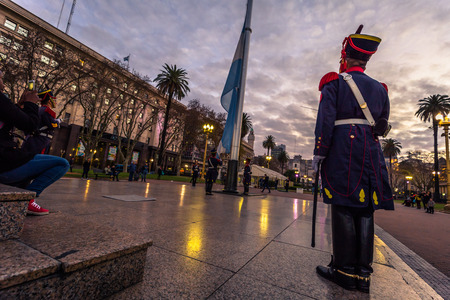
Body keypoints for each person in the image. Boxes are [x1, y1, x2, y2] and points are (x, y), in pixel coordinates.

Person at [312, 27, 393, 293]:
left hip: (342, 148)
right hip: (370, 150)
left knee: (343, 204)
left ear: (345, 56)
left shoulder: (334, 82)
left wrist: (320, 151)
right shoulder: (380, 89)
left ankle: (344, 270)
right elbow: (382, 124)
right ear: (367, 60)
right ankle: (363, 274)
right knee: (365, 208)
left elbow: (325, 120)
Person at [0, 70, 69, 215]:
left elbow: (11, 118)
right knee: (60, 163)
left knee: (33, 161)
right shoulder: (44, 110)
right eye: (1, 77)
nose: (4, 83)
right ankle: (28, 197)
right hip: (34, 140)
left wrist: (18, 106)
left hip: (37, 140)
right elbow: (31, 123)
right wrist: (31, 104)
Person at [21, 88, 60, 155]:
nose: (55, 102)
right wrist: (57, 122)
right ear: (49, 101)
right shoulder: (47, 110)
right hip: (41, 140)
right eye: (54, 100)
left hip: (32, 139)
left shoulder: (38, 109)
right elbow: (52, 125)